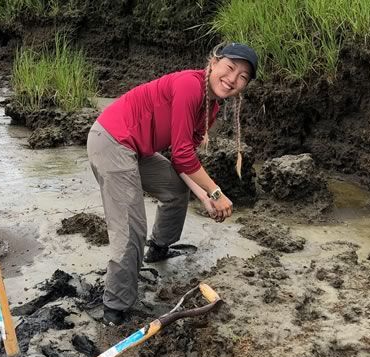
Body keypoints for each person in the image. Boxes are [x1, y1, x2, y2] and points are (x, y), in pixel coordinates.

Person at [87, 43, 258, 326]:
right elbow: (182, 154)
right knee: (131, 228)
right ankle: (115, 309)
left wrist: (204, 198)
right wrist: (216, 192)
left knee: (175, 189)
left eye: (243, 77)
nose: (232, 79)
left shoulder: (210, 107)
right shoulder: (189, 86)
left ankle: (160, 247)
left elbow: (182, 162)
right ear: (213, 63)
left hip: (137, 150)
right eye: (230, 68)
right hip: (112, 141)